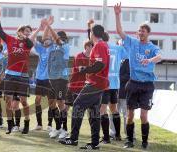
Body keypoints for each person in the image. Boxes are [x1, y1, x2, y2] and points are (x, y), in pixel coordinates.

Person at [114, 2, 161, 149]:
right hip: (133, 83)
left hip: (147, 85)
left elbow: (159, 57)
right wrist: (117, 14)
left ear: (148, 33)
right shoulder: (132, 43)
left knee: (143, 116)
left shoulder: (152, 47)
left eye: (143, 31)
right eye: (139, 31)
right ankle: (129, 140)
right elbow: (120, 32)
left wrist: (150, 60)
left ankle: (145, 142)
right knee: (129, 116)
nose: (140, 33)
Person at [0, 7, 46, 134]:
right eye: (26, 31)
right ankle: (10, 125)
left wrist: (27, 35)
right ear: (19, 31)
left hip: (23, 76)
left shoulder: (28, 43)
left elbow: (29, 42)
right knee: (8, 101)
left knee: (23, 101)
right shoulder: (10, 40)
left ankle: (27, 123)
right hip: (10, 75)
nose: (28, 33)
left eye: (29, 32)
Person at [60, 24, 109, 150]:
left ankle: (73, 139)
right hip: (99, 83)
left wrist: (85, 69)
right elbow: (100, 64)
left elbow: (100, 64)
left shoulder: (99, 45)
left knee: (77, 106)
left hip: (95, 83)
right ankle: (94, 143)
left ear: (92, 33)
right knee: (93, 113)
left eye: (90, 32)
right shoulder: (102, 44)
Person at [43, 16, 70, 139]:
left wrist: (49, 26)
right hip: (51, 78)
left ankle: (65, 129)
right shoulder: (51, 46)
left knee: (60, 103)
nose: (56, 38)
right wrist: (47, 27)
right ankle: (58, 127)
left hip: (61, 78)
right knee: (51, 103)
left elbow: (57, 40)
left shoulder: (65, 46)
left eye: (58, 37)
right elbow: (44, 39)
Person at [100, 32, 128, 143]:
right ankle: (118, 135)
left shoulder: (100, 48)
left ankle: (106, 137)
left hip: (105, 84)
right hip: (115, 84)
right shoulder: (118, 48)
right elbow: (127, 55)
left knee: (102, 110)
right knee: (113, 109)